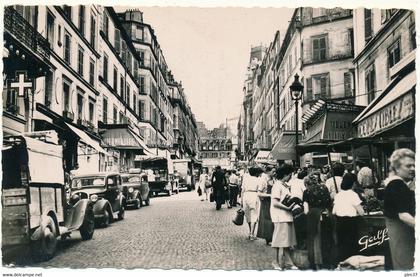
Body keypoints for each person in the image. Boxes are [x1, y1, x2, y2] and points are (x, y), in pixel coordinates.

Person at [383, 148, 415, 270]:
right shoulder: (397, 185)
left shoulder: (397, 184)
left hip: (399, 235)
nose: (413, 168)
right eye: (408, 166)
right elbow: (403, 215)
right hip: (401, 235)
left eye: (414, 165)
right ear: (396, 168)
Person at [332, 173, 364, 264]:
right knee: (352, 248)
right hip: (351, 224)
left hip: (339, 223)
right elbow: (362, 212)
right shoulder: (353, 195)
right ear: (353, 183)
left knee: (342, 247)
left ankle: (342, 266)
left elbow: (334, 211)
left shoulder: (338, 195)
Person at [270, 164, 298, 270]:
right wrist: (288, 207)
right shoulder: (277, 185)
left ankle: (288, 262)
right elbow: (275, 202)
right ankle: (275, 262)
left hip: (286, 215)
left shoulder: (283, 185)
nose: (291, 177)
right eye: (290, 174)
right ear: (285, 174)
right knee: (277, 241)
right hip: (280, 216)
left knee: (286, 240)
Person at [302, 173, 332, 270]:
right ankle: (326, 262)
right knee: (325, 239)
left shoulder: (306, 192)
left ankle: (314, 263)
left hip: (313, 217)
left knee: (313, 240)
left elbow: (306, 210)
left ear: (307, 184)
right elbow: (329, 203)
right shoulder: (324, 188)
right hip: (325, 216)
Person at [241, 167, 263, 240]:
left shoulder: (245, 179)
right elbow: (259, 190)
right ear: (256, 173)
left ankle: (250, 232)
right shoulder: (258, 180)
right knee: (254, 215)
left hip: (246, 196)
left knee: (248, 215)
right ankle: (252, 234)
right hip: (254, 195)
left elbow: (242, 190)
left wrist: (241, 201)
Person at [256, 165, 276, 245]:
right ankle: (268, 238)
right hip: (266, 202)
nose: (274, 173)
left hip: (272, 202)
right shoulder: (263, 181)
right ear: (268, 171)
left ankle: (273, 237)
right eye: (273, 171)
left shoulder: (273, 180)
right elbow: (259, 193)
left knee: (273, 219)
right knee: (267, 220)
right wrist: (270, 195)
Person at [289, 169, 308, 249]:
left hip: (293, 205)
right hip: (300, 206)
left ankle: (293, 243)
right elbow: (305, 192)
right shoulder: (302, 183)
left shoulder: (292, 181)